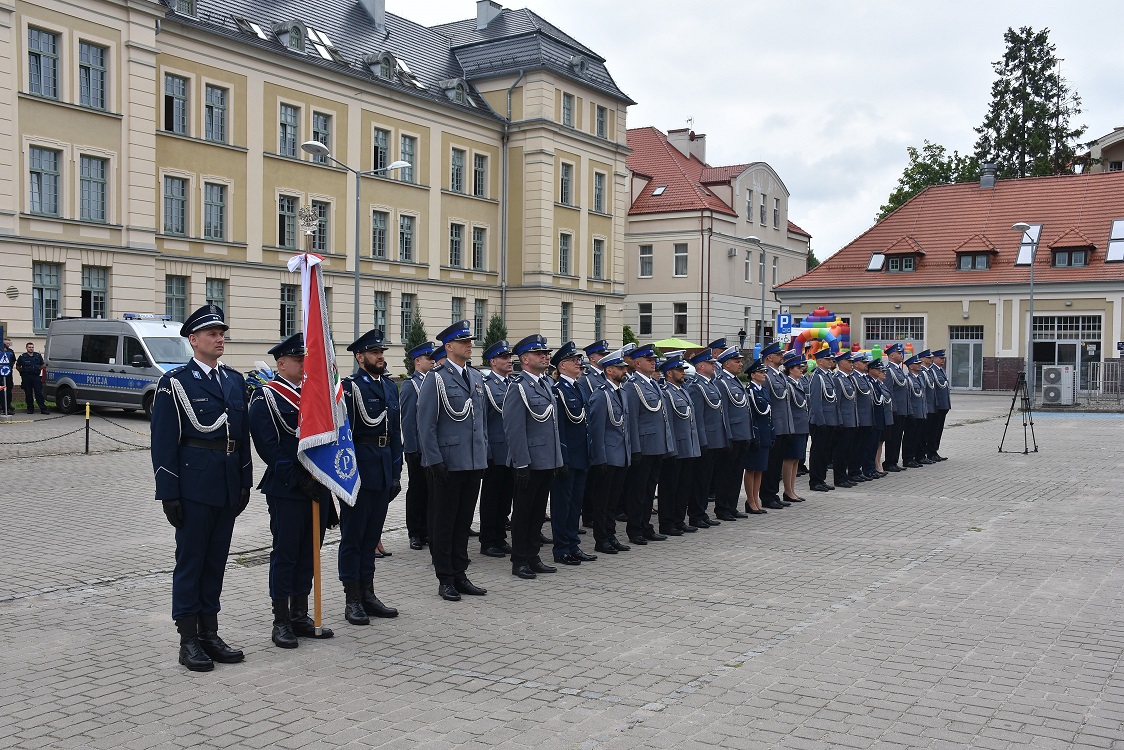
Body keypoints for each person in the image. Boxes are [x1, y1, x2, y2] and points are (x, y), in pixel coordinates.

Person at [150, 304, 252, 672]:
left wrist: (244, 481)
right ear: (193, 341)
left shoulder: (234, 380)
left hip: (225, 485)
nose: (219, 338)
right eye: (212, 334)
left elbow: (240, 439)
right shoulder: (175, 383)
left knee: (216, 562)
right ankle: (188, 638)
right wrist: (169, 492)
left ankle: (210, 631)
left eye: (222, 333)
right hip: (193, 486)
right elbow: (163, 443)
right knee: (191, 563)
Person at [248, 334, 336, 648]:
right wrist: (301, 480)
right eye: (298, 360)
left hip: (319, 487)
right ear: (281, 363)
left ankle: (300, 614)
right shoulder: (267, 397)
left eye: (306, 359)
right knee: (286, 554)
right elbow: (269, 448)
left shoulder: (316, 395)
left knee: (310, 553)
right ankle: (281, 620)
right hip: (288, 488)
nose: (303, 365)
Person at [416, 322, 488, 601]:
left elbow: (480, 422)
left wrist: (482, 456)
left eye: (470, 340)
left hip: (472, 462)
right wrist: (434, 461)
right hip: (446, 462)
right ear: (448, 347)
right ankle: (445, 577)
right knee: (444, 523)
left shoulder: (476, 377)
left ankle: (461, 573)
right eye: (463, 341)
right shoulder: (436, 379)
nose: (469, 345)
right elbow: (426, 424)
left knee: (463, 522)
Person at [340, 329, 402, 624]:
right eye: (375, 352)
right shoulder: (349, 388)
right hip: (358, 471)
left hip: (382, 469)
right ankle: (352, 598)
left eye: (382, 352)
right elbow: (343, 437)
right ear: (359, 356)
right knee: (353, 537)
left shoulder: (390, 388)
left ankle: (369, 593)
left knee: (371, 537)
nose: (380, 357)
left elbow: (395, 435)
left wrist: (396, 471)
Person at [503, 334, 564, 579]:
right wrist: (521, 463)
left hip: (547, 459)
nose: (545, 356)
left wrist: (557, 459)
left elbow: (552, 426)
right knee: (523, 512)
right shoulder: (518, 387)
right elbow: (514, 428)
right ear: (525, 359)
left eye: (546, 353)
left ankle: (533, 555)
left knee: (538, 512)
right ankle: (519, 560)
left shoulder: (545, 384)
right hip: (529, 461)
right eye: (539, 353)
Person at [622, 343, 675, 545]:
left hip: (656, 445)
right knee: (638, 490)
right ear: (637, 363)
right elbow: (632, 420)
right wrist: (635, 449)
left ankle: (645, 525)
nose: (653, 362)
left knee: (649, 489)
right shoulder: (632, 386)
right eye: (649, 359)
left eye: (654, 360)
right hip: (643, 446)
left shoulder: (653, 384)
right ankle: (635, 529)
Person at [549, 341, 596, 565]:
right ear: (562, 365)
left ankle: (573, 544)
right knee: (562, 504)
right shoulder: (558, 391)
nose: (579, 363)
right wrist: (562, 458)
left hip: (582, 455)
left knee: (575, 504)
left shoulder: (578, 387)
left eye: (578, 360)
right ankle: (561, 549)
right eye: (573, 360)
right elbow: (559, 428)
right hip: (568, 457)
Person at [586, 348, 632, 555]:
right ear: (610, 370)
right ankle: (601, 538)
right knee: (602, 502)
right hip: (607, 457)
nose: (625, 371)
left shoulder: (621, 392)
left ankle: (611, 535)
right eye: (621, 368)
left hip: (621, 455)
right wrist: (600, 458)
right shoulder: (600, 395)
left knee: (613, 501)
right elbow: (596, 431)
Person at [656, 356, 701, 536]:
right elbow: (667, 423)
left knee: (683, 486)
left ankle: (679, 519)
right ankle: (667, 522)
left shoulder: (682, 390)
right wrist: (670, 447)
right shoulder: (665, 392)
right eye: (679, 370)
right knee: (669, 487)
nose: (683, 373)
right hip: (675, 447)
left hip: (688, 445)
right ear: (669, 373)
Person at [479, 339, 515, 558]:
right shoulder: (486, 386)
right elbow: (482, 421)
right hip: (495, 450)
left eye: (509, 357)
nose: (509, 361)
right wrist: (486, 451)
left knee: (506, 498)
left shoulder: (512, 383)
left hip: (511, 451)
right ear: (493, 361)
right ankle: (488, 540)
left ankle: (500, 537)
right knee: (491, 498)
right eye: (504, 358)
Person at [686, 349, 728, 528]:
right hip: (706, 441)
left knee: (707, 478)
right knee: (700, 479)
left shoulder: (711, 384)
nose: (714, 365)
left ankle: (702, 512)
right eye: (711, 363)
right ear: (701, 366)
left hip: (715, 439)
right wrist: (702, 441)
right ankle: (695, 514)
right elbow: (698, 417)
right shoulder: (696, 386)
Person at [400, 341, 436, 551]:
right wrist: (411, 449)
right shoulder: (410, 385)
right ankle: (415, 532)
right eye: (428, 358)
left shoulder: (432, 381)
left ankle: (427, 530)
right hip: (417, 449)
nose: (432, 361)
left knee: (431, 493)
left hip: (430, 449)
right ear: (417, 361)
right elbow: (408, 420)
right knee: (417, 491)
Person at [713, 346, 751, 521]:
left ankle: (732, 505)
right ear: (726, 364)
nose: (740, 364)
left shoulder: (735, 381)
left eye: (740, 361)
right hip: (732, 435)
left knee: (736, 473)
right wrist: (727, 435)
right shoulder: (721, 382)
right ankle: (722, 507)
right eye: (737, 361)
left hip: (742, 434)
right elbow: (724, 412)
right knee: (726, 473)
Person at [759, 343, 794, 510]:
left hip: (784, 425)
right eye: (778, 354)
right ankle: (767, 496)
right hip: (774, 425)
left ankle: (774, 493)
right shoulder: (766, 376)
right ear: (769, 357)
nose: (782, 356)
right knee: (771, 463)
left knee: (777, 462)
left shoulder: (778, 375)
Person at [743, 358, 773, 514]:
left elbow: (768, 414)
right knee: (751, 469)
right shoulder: (750, 391)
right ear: (753, 375)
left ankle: (756, 499)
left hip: (765, 433)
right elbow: (752, 415)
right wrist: (754, 435)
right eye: (761, 372)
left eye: (764, 372)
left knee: (760, 469)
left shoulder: (763, 390)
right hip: (756, 434)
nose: (764, 375)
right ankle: (750, 500)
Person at [807, 348, 839, 492]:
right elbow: (815, 401)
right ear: (819, 361)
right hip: (821, 421)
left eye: (831, 359)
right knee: (818, 452)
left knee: (826, 453)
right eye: (827, 359)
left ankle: (822, 478)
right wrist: (820, 421)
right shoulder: (817, 376)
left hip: (830, 420)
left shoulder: (829, 376)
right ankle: (815, 481)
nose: (831, 361)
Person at [782, 351, 810, 503]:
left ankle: (792, 489)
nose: (801, 369)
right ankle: (787, 490)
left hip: (801, 425)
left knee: (796, 459)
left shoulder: (798, 383)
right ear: (791, 369)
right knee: (790, 458)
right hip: (793, 425)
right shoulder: (788, 384)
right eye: (798, 368)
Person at [849, 354, 879, 482]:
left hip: (867, 417)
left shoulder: (864, 378)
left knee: (863, 446)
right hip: (860, 418)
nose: (866, 364)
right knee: (856, 447)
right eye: (862, 362)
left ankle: (858, 470)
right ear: (855, 364)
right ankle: (853, 471)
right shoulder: (854, 377)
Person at [832, 352, 859, 488]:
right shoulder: (837, 379)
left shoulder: (848, 378)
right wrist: (839, 420)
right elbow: (837, 402)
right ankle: (839, 478)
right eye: (848, 362)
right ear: (841, 363)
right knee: (841, 451)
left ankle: (845, 476)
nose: (851, 364)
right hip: (843, 420)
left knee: (848, 450)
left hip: (851, 419)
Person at [883, 343, 910, 472]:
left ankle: (894, 460)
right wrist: (893, 409)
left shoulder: (898, 370)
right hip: (896, 410)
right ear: (892, 355)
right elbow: (889, 391)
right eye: (899, 353)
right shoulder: (889, 370)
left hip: (902, 409)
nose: (901, 355)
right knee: (893, 437)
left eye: (901, 353)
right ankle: (889, 462)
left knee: (898, 436)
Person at [902, 354, 928, 468]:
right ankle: (908, 459)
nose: (919, 365)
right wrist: (910, 412)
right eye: (917, 364)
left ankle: (915, 457)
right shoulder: (908, 379)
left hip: (921, 411)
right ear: (911, 366)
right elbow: (908, 397)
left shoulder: (919, 378)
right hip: (913, 412)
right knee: (910, 437)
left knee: (918, 436)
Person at [928, 349, 951, 461]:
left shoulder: (941, 370)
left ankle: (935, 450)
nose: (943, 360)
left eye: (943, 358)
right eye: (941, 358)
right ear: (934, 359)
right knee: (933, 430)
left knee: (938, 430)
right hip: (937, 406)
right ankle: (931, 451)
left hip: (943, 405)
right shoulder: (932, 370)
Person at [16, 342, 48, 414]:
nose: (31, 348)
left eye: (32, 347)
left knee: (39, 393)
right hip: (26, 377)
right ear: (26, 348)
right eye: (29, 347)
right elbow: (18, 366)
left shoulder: (37, 355)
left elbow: (42, 365)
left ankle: (43, 409)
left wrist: (38, 369)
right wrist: (22, 372)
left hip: (36, 377)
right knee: (28, 393)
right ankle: (30, 409)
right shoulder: (22, 356)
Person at [1, 337, 16, 415]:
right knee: (1, 390)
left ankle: (8, 405)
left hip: (8, 373)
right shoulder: (0, 351)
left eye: (9, 343)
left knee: (9, 389)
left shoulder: (11, 351)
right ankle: (3, 407)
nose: (8, 344)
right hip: (1, 374)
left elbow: (13, 360)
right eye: (7, 343)